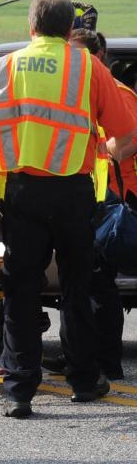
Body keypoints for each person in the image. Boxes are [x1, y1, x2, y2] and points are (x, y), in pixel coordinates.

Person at [0, 0, 135, 418]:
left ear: (31, 26)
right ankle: (84, 379)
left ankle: (19, 389)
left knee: (21, 289)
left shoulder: (5, 67)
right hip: (75, 194)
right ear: (68, 29)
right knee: (78, 289)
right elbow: (126, 135)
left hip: (23, 193)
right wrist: (105, 155)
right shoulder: (89, 66)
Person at [42, 27, 137, 381]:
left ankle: (105, 361)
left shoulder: (116, 91)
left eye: (78, 54)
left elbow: (127, 142)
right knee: (84, 281)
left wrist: (91, 151)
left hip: (111, 200)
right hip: (91, 195)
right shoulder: (85, 93)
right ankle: (81, 356)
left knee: (98, 283)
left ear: (98, 57)